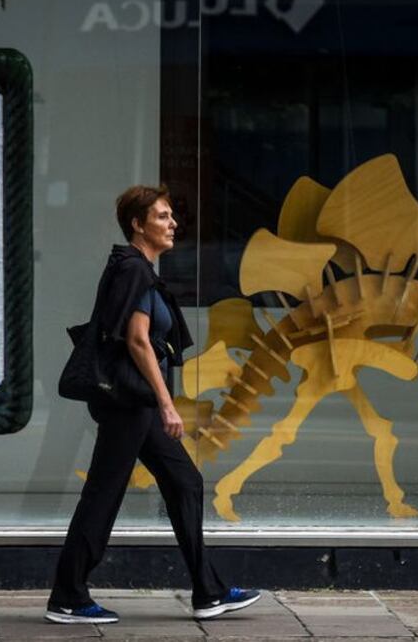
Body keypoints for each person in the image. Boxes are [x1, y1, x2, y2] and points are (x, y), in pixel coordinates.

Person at [46, 184, 260, 625]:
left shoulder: (137, 269)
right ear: (137, 225)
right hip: (133, 403)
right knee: (103, 494)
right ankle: (68, 596)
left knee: (185, 483)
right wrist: (168, 403)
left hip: (136, 403)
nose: (172, 223)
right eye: (162, 217)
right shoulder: (134, 271)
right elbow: (138, 340)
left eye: (170, 216)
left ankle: (209, 591)